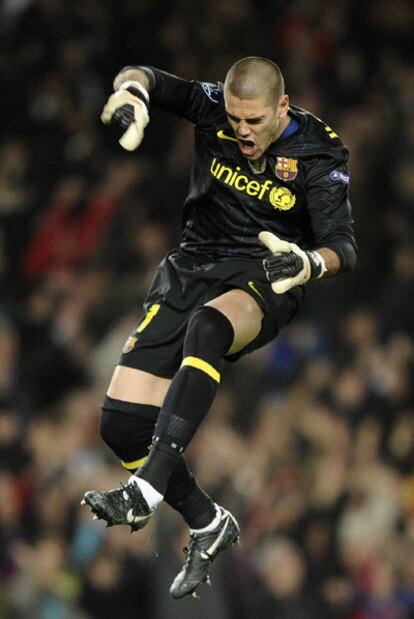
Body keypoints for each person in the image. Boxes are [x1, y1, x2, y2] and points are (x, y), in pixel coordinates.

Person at [81, 56, 357, 599]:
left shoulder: (320, 153)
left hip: (265, 276)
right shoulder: (213, 109)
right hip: (191, 266)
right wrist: (132, 96)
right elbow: (143, 75)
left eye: (254, 120)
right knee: (120, 425)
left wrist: (308, 263)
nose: (242, 131)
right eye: (235, 119)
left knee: (208, 327)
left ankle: (144, 491)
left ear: (282, 107)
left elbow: (343, 245)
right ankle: (209, 522)